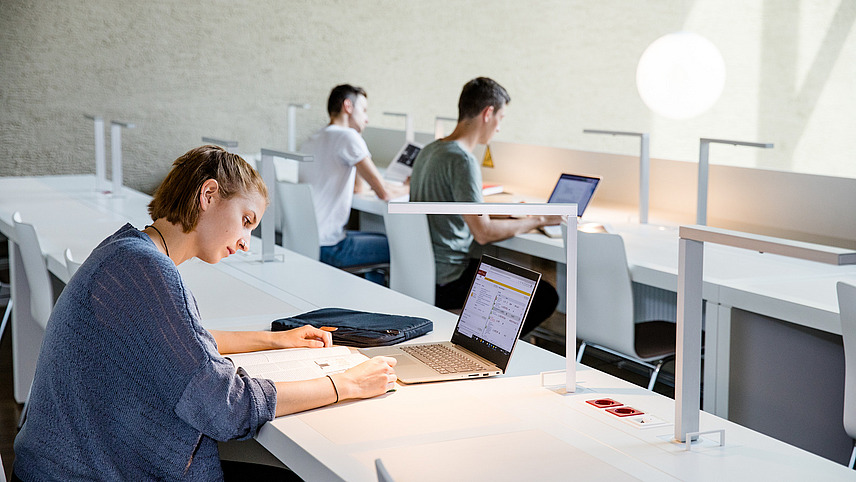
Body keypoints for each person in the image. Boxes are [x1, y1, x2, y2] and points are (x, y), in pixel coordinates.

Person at [12, 145, 397, 481]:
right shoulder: (147, 270)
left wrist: (274, 340)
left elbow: (180, 343)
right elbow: (226, 408)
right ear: (209, 194)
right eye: (246, 221)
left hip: (58, 465)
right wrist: (346, 385)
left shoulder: (129, 250)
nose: (246, 243)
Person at [409, 77, 561, 337]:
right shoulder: (462, 160)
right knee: (545, 295)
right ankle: (483, 345)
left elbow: (455, 206)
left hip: (421, 272)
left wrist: (514, 214)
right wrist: (538, 220)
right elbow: (483, 232)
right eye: (501, 118)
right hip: (448, 278)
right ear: (488, 113)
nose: (499, 128)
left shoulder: (430, 150)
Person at [299, 84, 408, 283]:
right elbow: (384, 193)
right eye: (364, 110)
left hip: (306, 244)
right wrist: (410, 186)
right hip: (330, 248)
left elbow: (359, 188)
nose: (367, 118)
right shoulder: (348, 136)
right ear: (348, 106)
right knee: (398, 244)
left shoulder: (313, 138)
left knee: (376, 238)